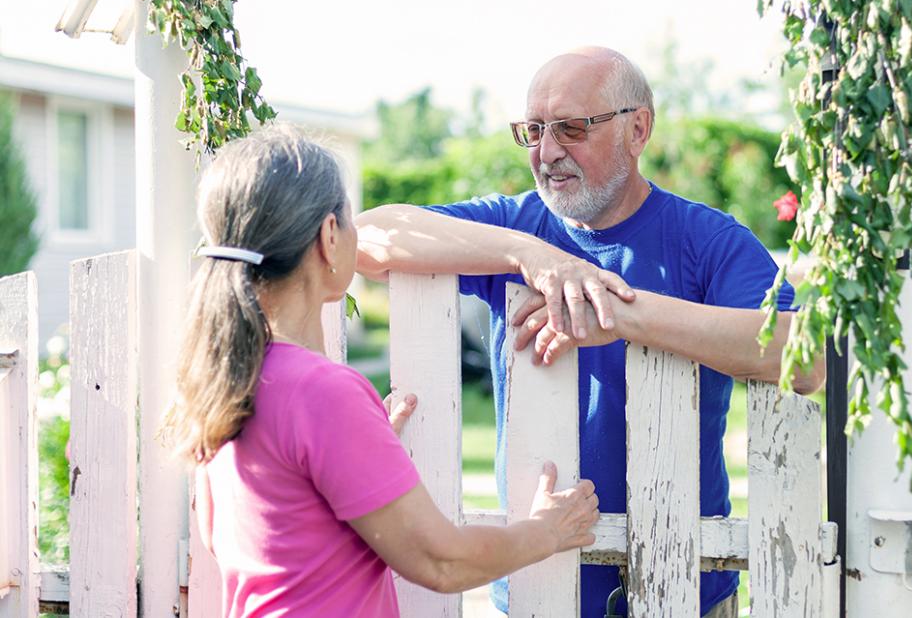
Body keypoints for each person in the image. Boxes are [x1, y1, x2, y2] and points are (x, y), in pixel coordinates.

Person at [356, 47, 824, 617]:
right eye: (533, 130)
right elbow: (368, 236)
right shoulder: (512, 226)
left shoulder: (707, 238)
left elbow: (805, 359)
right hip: (536, 588)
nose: (547, 152)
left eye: (571, 128)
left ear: (638, 128)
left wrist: (620, 315)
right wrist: (527, 254)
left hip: (685, 586)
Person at [160, 126, 600, 618]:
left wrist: (357, 449)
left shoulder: (224, 380)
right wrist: (548, 530)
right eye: (349, 218)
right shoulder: (321, 394)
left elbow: (267, 533)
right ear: (329, 237)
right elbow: (442, 561)